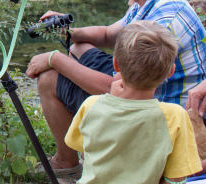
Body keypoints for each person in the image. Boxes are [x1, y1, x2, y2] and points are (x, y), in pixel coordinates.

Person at [26, 0, 206, 177]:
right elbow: (109, 34)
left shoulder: (164, 22)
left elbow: (118, 86)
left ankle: (66, 165)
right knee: (77, 48)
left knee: (49, 77)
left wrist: (53, 60)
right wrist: (69, 31)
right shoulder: (154, 0)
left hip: (158, 116)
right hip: (148, 89)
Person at [65, 21, 202, 184]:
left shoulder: (91, 105)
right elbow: (176, 178)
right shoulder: (174, 116)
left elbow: (82, 148)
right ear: (170, 72)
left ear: (115, 63)